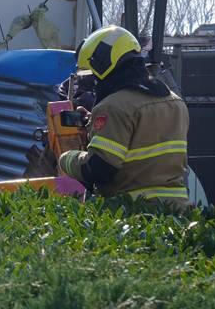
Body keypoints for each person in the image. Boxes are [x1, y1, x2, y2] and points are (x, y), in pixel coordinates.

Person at [57, 25, 190, 207]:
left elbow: (98, 169)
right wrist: (93, 125)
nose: (94, 81)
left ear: (104, 66)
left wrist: (66, 158)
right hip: (176, 210)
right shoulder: (175, 103)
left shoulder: (112, 107)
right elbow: (143, 140)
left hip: (134, 212)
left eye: (93, 74)